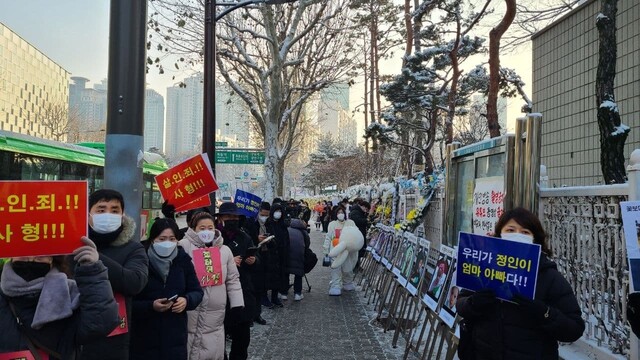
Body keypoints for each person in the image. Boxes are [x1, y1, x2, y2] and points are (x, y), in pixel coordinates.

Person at [456, 207, 585, 360]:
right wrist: (473, 303)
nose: (517, 235)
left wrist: (544, 312)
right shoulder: (483, 268)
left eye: (525, 232)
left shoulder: (548, 276)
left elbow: (574, 329)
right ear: (500, 234)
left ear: (534, 239)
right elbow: (461, 304)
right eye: (510, 230)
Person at [0, 238, 119, 359]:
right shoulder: (2, 297)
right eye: (23, 256)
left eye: (40, 257)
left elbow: (100, 324)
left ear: (52, 260)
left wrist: (92, 271)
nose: (31, 260)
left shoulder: (70, 293)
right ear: (11, 257)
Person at [78, 189, 149, 360]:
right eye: (101, 210)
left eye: (114, 210)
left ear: (122, 215)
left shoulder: (134, 248)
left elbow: (135, 282)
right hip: (71, 337)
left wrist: (96, 258)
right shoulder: (71, 247)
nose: (108, 214)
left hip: (113, 341)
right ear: (88, 214)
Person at [129, 218, 204, 360]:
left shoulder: (183, 260)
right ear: (152, 239)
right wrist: (150, 306)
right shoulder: (139, 260)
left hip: (175, 338)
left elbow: (197, 291)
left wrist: (186, 300)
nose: (167, 243)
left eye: (172, 239)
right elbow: (129, 302)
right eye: (162, 238)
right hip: (144, 338)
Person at [179, 212, 244, 360]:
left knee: (212, 346)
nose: (206, 231)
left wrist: (237, 304)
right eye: (202, 228)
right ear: (193, 229)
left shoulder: (224, 250)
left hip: (215, 314)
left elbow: (233, 279)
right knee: (190, 342)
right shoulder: (183, 246)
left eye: (210, 228)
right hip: (191, 309)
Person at [216, 202, 257, 360]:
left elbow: (256, 260)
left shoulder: (244, 236)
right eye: (228, 217)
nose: (232, 220)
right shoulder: (213, 237)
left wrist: (254, 260)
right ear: (220, 218)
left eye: (235, 217)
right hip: (220, 295)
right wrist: (228, 262)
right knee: (219, 339)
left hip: (242, 293)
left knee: (242, 339)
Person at [243, 201, 274, 322]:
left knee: (260, 287)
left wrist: (269, 240)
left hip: (265, 256)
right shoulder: (250, 222)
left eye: (267, 215)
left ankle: (257, 314)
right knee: (252, 288)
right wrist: (256, 239)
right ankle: (250, 316)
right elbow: (247, 238)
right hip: (253, 257)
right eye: (263, 214)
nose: (265, 217)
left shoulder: (269, 223)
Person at [323, 206, 357, 296]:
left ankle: (347, 283)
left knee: (348, 268)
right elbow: (328, 237)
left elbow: (355, 235)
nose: (340, 214)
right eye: (338, 213)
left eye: (342, 212)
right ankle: (335, 286)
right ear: (336, 214)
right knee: (335, 268)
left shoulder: (350, 223)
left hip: (347, 251)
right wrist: (326, 250)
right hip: (335, 250)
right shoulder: (332, 224)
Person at [266, 202, 290, 305]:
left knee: (279, 276)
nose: (278, 213)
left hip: (281, 254)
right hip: (270, 254)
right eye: (276, 211)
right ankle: (266, 297)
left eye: (280, 211)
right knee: (269, 276)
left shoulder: (282, 225)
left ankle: (275, 297)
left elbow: (287, 239)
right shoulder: (268, 224)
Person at [286, 219, 311, 301]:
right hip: (299, 255)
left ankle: (283, 292)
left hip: (288, 254)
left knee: (286, 273)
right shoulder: (304, 232)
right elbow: (307, 245)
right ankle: (297, 294)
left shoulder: (287, 229)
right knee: (298, 274)